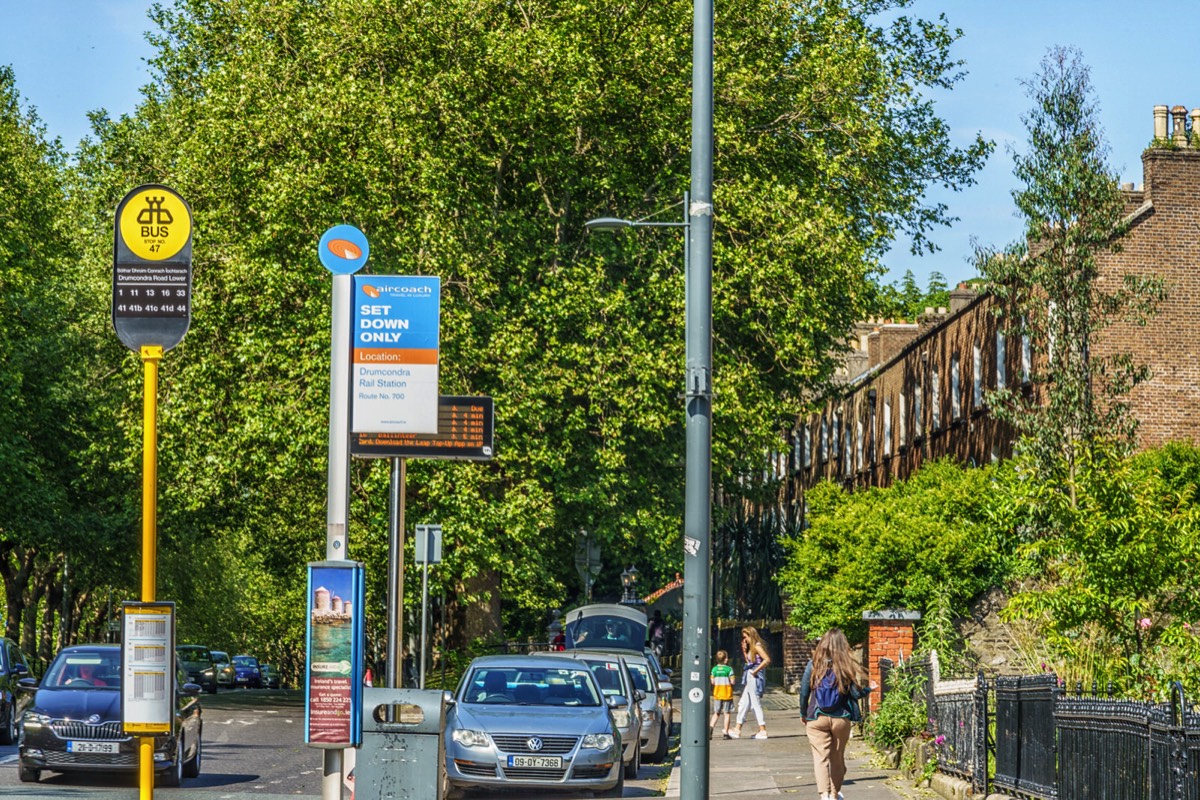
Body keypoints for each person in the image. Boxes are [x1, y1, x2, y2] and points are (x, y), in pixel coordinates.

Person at [800, 628, 876, 800]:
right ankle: (835, 794)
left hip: (816, 717)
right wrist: (869, 689)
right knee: (837, 757)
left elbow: (804, 692)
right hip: (841, 718)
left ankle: (824, 795)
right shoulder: (845, 666)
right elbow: (855, 694)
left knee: (820, 758)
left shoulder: (813, 665)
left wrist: (803, 713)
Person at [729, 625, 770, 739]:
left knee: (755, 704)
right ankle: (737, 729)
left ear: (751, 636)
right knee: (743, 703)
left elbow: (767, 659)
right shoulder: (751, 648)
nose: (745, 639)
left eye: (746, 637)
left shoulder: (757, 646)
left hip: (754, 677)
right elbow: (749, 661)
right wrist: (744, 649)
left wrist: (755, 671)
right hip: (749, 676)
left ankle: (763, 730)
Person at [709, 649, 735, 739]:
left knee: (716, 713)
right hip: (727, 694)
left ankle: (710, 729)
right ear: (725, 659)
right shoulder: (729, 669)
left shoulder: (714, 669)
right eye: (727, 657)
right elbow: (733, 681)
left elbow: (712, 682)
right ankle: (726, 733)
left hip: (717, 694)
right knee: (727, 713)